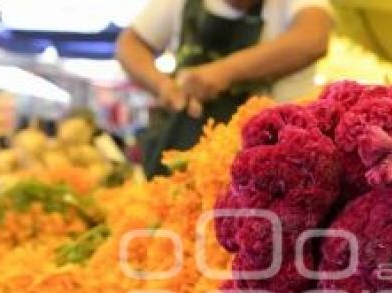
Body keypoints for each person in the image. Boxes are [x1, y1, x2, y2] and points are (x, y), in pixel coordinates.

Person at [116, 0, 332, 177]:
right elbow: (129, 44)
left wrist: (223, 73)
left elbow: (312, 39)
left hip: (271, 166)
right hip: (183, 152)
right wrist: (162, 85)